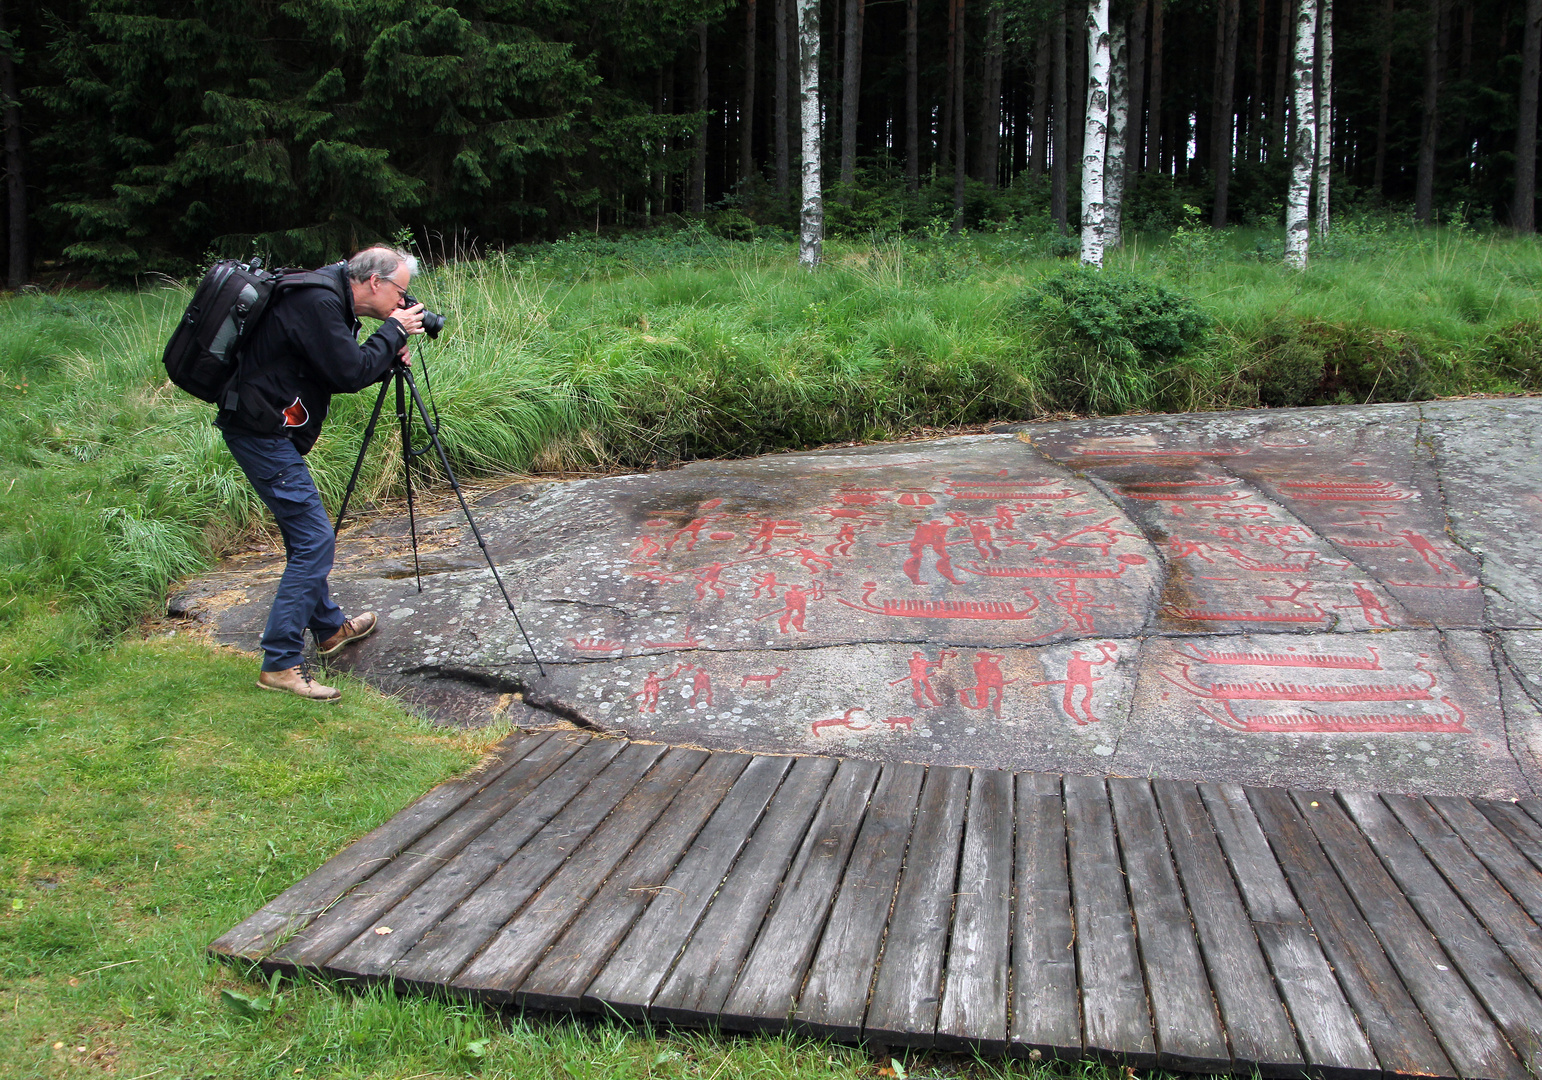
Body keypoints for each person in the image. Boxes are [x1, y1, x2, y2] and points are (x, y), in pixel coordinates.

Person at [217, 246, 427, 700]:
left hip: (266, 427)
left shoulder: (328, 295)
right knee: (314, 541)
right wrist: (391, 332)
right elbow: (349, 372)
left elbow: (336, 369)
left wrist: (387, 347)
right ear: (376, 282)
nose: (402, 303)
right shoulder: (316, 301)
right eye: (400, 293)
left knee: (305, 538)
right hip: (260, 433)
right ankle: (280, 664)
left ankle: (330, 629)